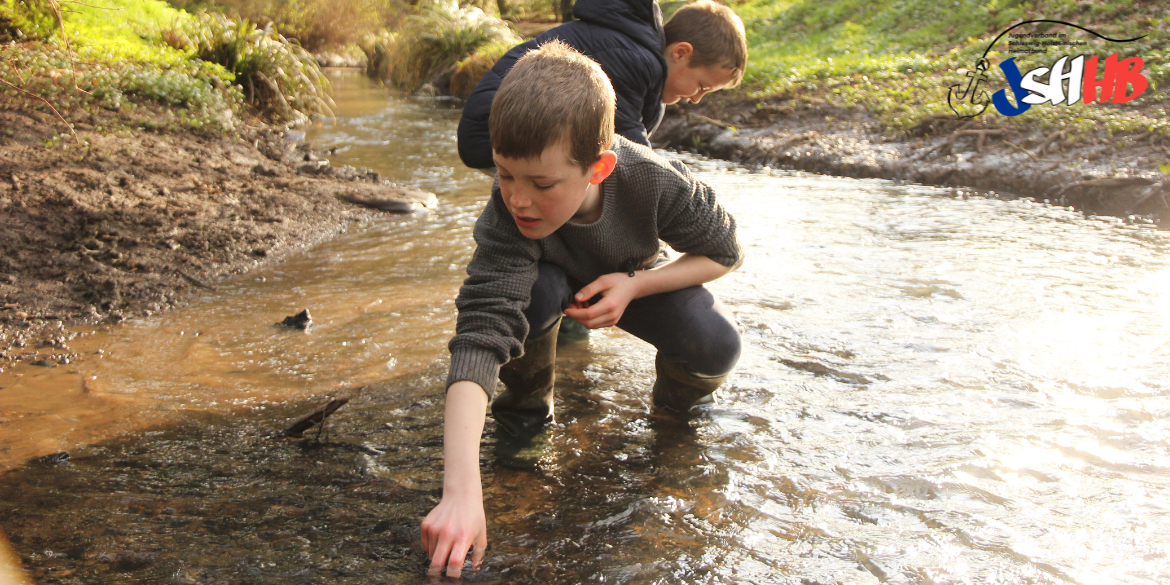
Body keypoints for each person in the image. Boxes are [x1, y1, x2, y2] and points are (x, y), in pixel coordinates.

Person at [421, 40, 743, 578]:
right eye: (504, 173)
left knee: (717, 342)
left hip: (628, 276)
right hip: (547, 283)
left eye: (541, 184)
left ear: (599, 168)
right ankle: (525, 420)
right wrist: (460, 491)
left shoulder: (655, 181)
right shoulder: (507, 214)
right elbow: (480, 334)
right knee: (533, 296)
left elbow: (726, 251)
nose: (517, 199)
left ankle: (672, 419)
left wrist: (635, 286)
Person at [457, 0, 748, 172]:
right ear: (681, 53)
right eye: (702, 87)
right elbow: (634, 158)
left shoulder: (647, 76)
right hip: (493, 130)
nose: (696, 99)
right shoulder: (635, 60)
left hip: (522, 129)